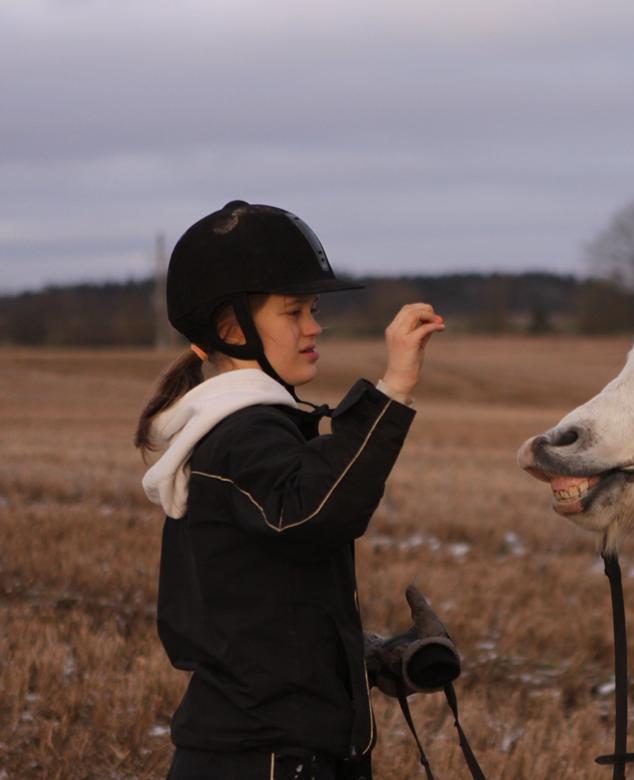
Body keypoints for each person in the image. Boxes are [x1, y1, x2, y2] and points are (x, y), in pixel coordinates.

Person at [136, 200, 444, 780]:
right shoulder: (240, 434)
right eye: (294, 311)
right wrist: (394, 388)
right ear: (232, 327)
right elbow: (314, 512)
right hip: (267, 762)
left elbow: (257, 614)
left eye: (314, 308)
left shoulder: (243, 430)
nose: (313, 326)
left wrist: (369, 655)